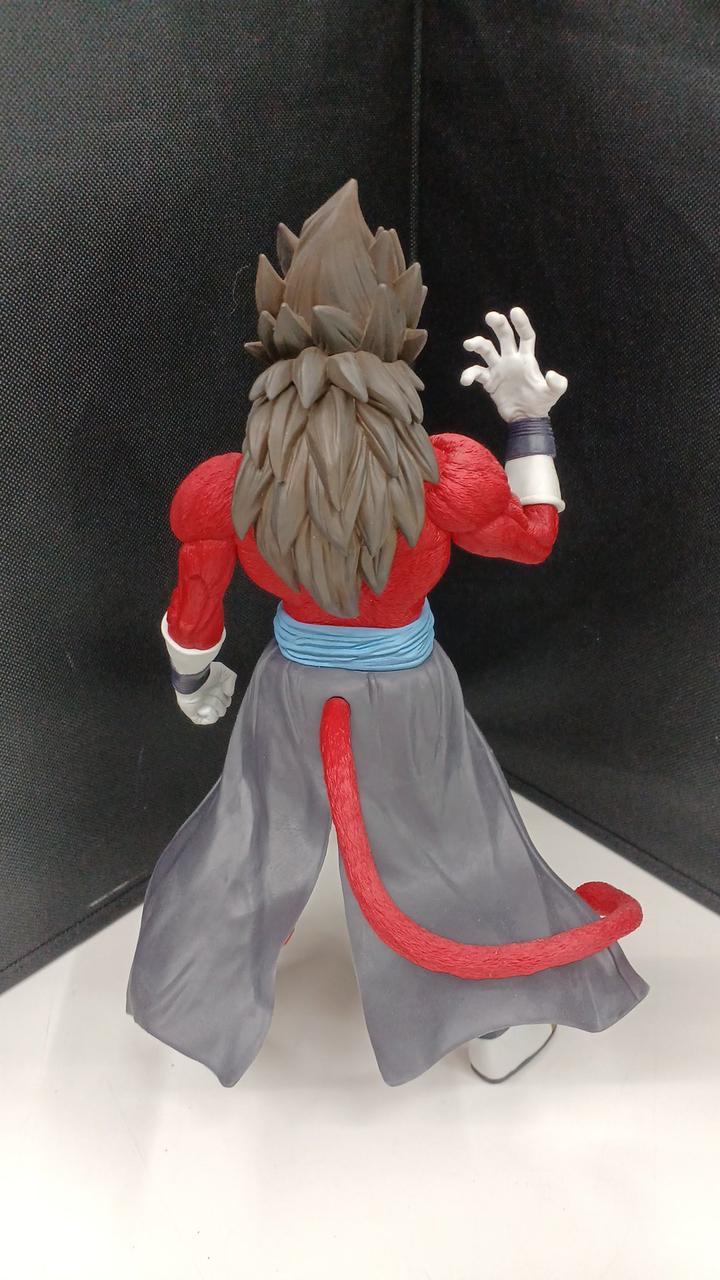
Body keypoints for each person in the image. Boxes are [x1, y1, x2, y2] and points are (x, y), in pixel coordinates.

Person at [128, 180, 646, 1088]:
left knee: (251, 831)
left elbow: (194, 614)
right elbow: (534, 538)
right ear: (398, 335)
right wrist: (527, 422)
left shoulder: (226, 487)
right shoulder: (446, 476)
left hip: (292, 691)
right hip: (406, 698)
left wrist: (192, 681)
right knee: (446, 844)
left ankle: (220, 970)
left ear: (274, 339)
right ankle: (495, 1018)